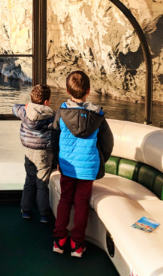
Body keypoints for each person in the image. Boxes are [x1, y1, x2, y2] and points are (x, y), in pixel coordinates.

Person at [52, 71, 114, 258]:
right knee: (81, 203)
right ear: (88, 90)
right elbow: (107, 143)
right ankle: (77, 245)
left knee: (65, 199)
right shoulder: (98, 115)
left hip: (67, 166)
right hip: (88, 168)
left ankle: (59, 240)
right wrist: (99, 159)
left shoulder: (61, 113)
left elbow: (54, 137)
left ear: (67, 89)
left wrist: (57, 160)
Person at [13, 84, 55, 223]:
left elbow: (14, 107)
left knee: (30, 180)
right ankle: (44, 214)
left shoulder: (24, 111)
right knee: (42, 184)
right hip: (44, 152)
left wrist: (27, 105)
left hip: (29, 151)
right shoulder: (51, 115)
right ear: (46, 102)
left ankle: (26, 211)